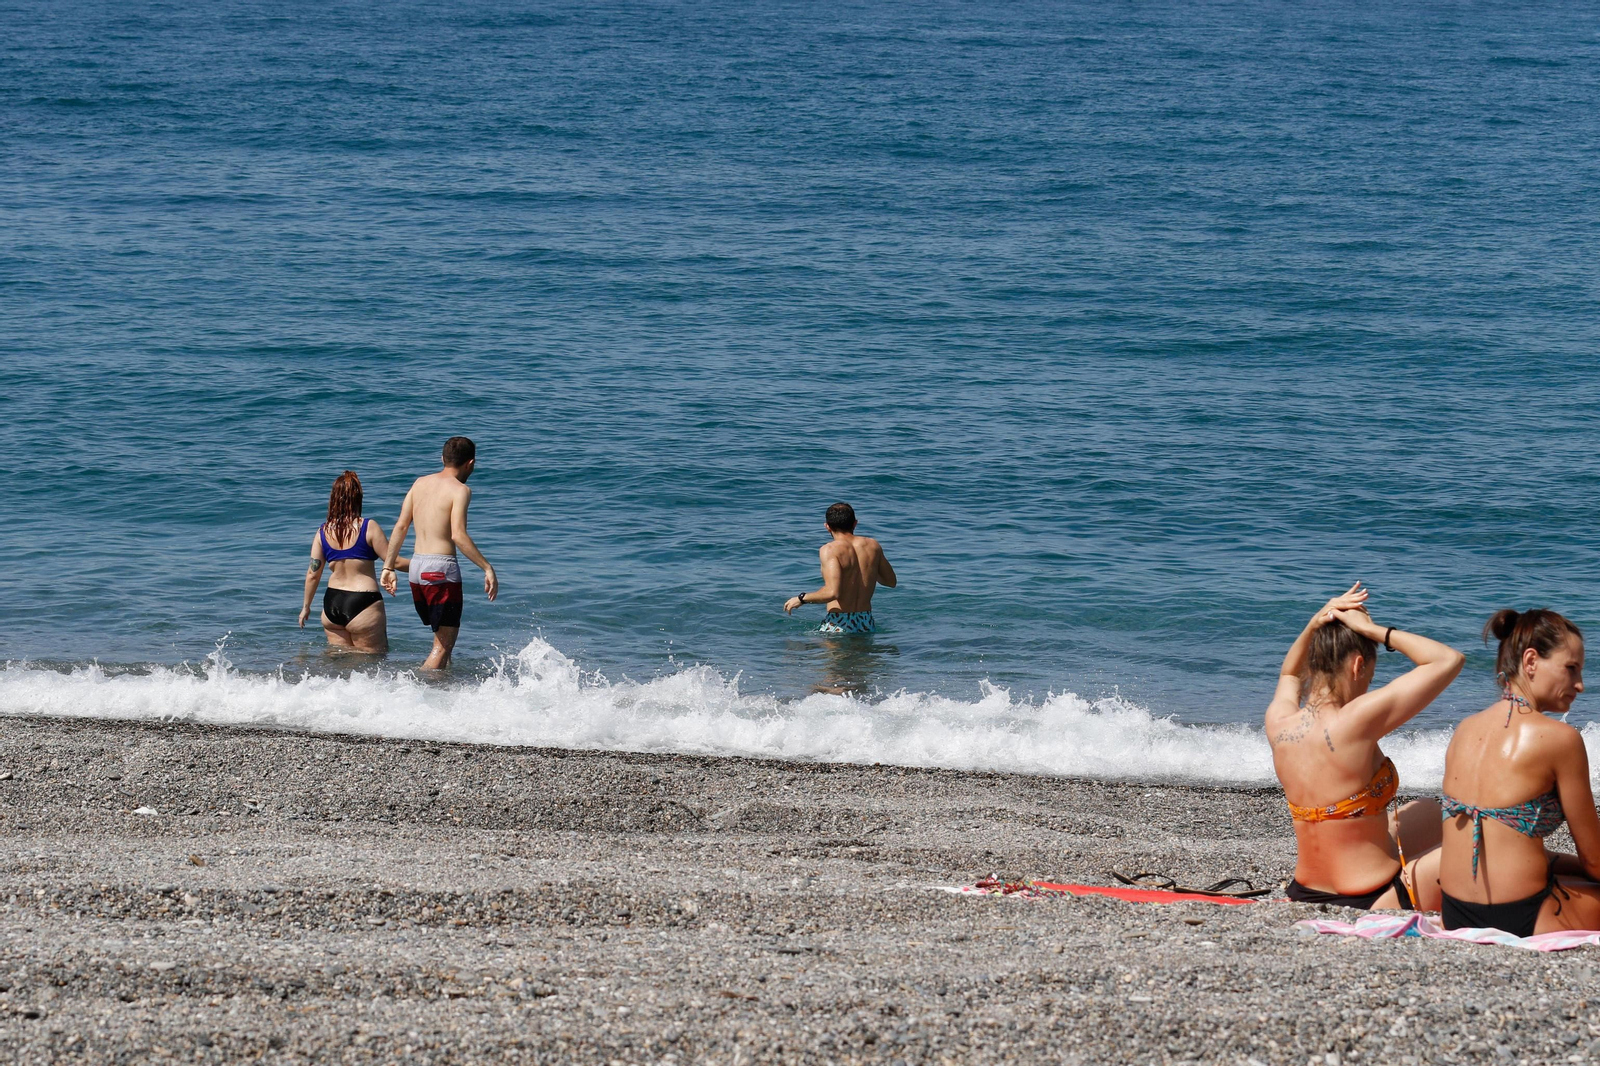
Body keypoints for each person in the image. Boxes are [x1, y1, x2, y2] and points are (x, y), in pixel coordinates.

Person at [1266, 583, 1464, 910]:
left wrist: (1316, 621)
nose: (1367, 686)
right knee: (1479, 838)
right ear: (1358, 666)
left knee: (1431, 809)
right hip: (1373, 894)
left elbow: (1289, 672)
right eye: (1370, 677)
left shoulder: (1279, 721)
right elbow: (1447, 660)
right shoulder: (1355, 719)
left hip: (1304, 890)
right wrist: (1371, 630)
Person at [1438, 609, 1600, 936]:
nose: (1580, 685)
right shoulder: (1560, 739)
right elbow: (1594, 859)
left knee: (1563, 866)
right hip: (1523, 915)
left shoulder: (1464, 730)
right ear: (1530, 661)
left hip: (1454, 912)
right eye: (1571, 669)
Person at [380, 437, 498, 669]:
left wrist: (388, 567)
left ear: (442, 459)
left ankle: (441, 695)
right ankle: (418, 692)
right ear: (471, 463)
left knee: (442, 641)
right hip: (441, 571)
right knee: (442, 647)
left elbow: (401, 526)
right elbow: (458, 535)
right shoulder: (460, 490)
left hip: (417, 570)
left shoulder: (419, 483)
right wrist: (487, 567)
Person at [298, 471, 405, 654]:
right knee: (374, 662)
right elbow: (394, 562)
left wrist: (306, 607)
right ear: (358, 498)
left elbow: (313, 574)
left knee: (338, 664)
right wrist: (423, 565)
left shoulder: (323, 532)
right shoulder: (368, 527)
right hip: (363, 602)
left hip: (332, 605)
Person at [783, 502, 896, 633]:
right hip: (866, 621)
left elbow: (832, 592)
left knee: (795, 650)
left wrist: (801, 599)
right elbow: (891, 582)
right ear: (855, 523)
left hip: (839, 622)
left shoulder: (829, 550)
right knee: (862, 654)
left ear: (827, 526)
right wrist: (867, 569)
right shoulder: (873, 546)